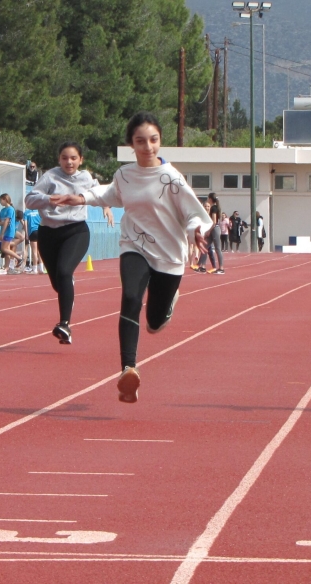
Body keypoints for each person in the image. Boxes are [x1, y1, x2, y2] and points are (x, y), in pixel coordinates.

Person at [51, 112, 211, 403]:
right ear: (131, 144)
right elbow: (110, 195)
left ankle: (167, 305)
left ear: (160, 141)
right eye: (140, 141)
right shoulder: (124, 174)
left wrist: (196, 231)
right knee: (131, 298)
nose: (148, 146)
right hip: (134, 246)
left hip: (169, 255)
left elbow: (193, 214)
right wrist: (81, 198)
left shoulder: (171, 177)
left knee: (154, 322)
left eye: (153, 140)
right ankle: (128, 369)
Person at [26, 142, 115, 342]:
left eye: (74, 158)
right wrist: (49, 199)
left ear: (81, 160)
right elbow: (29, 200)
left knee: (65, 272)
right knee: (59, 283)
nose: (69, 162)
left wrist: (106, 208)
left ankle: (64, 324)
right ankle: (67, 285)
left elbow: (100, 194)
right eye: (65, 158)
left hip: (76, 231)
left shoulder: (85, 178)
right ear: (59, 159)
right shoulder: (50, 176)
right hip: (48, 233)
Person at [0, 194, 23, 270]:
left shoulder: (10, 209)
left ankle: (19, 258)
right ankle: (6, 267)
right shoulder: (2, 210)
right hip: (5, 231)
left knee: (4, 249)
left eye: (1, 200)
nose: (0, 202)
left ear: (5, 199)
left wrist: (2, 233)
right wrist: (3, 223)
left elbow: (7, 222)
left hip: (9, 232)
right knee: (6, 249)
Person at [23, 203, 42, 274]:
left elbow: (25, 224)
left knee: (34, 251)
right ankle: (41, 267)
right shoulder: (39, 211)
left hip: (32, 231)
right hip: (40, 231)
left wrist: (26, 233)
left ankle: (35, 268)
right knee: (39, 250)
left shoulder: (26, 213)